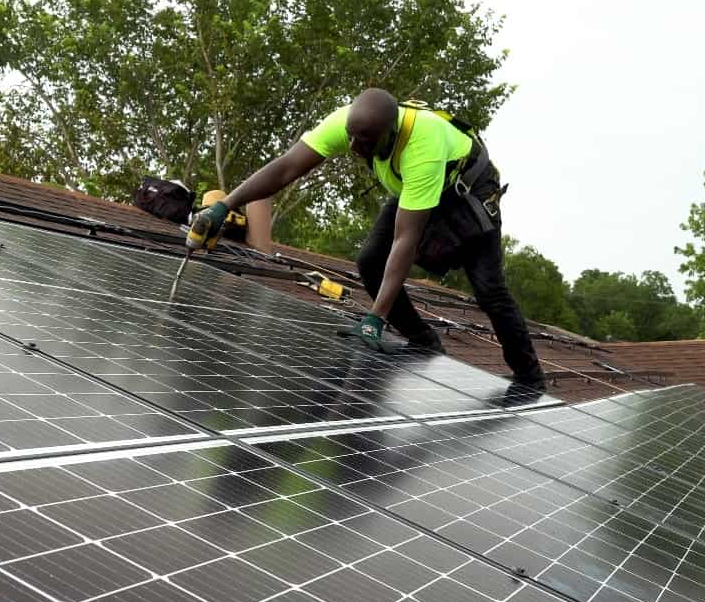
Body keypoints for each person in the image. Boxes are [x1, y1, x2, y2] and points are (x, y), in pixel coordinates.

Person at [189, 88, 546, 390]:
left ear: (390, 134)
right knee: (369, 262)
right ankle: (424, 342)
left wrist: (375, 318)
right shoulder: (350, 123)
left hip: (466, 193)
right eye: (353, 138)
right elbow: (286, 167)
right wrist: (224, 206)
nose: (357, 148)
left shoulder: (423, 145)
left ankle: (530, 379)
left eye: (368, 141)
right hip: (411, 184)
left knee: (489, 290)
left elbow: (406, 239)